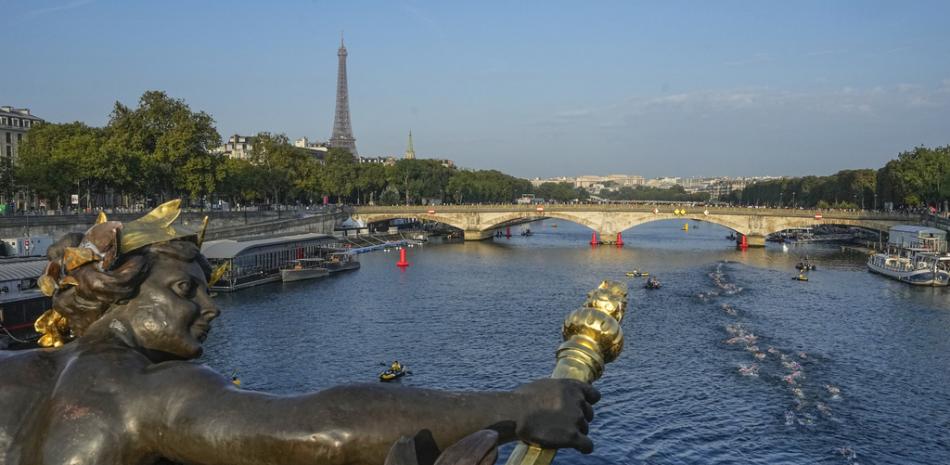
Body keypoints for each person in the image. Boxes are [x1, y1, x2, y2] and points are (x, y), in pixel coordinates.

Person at [0, 202, 598, 465]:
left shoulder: (16, 371)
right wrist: (520, 407)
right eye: (186, 290)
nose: (210, 309)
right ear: (119, 293)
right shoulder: (143, 390)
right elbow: (323, 429)